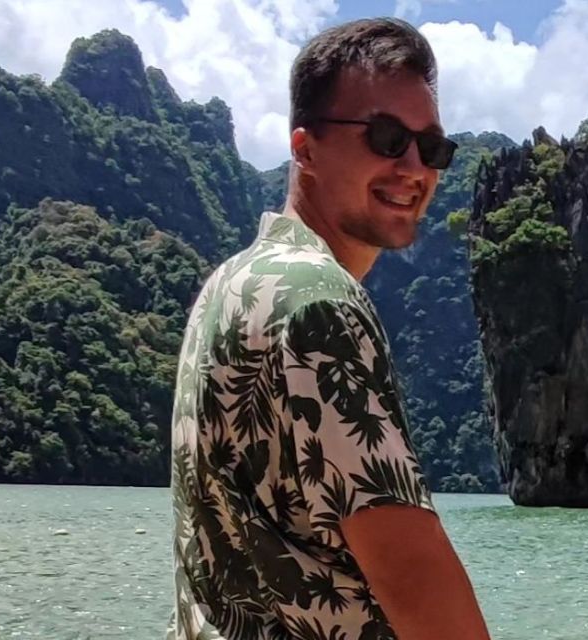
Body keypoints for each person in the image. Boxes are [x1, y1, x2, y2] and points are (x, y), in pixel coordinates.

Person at [167, 18, 491, 640]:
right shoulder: (321, 305)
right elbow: (413, 580)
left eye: (433, 148)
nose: (414, 167)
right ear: (305, 147)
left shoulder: (230, 283)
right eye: (386, 136)